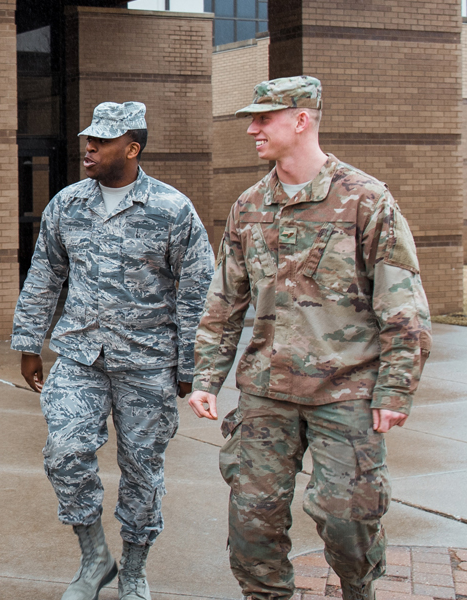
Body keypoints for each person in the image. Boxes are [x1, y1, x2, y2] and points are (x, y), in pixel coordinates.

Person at [188, 76, 432, 600]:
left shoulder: (366, 201)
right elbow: (224, 302)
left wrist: (395, 389)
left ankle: (358, 589)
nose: (252, 129)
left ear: (301, 120)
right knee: (252, 525)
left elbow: (404, 307)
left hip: (345, 393)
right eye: (252, 120)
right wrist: (206, 377)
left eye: (263, 118)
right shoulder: (249, 206)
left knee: (349, 520)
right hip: (265, 393)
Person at [12, 101, 214, 600]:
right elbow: (44, 275)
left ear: (132, 148)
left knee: (143, 468)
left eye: (101, 142)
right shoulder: (67, 204)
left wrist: (191, 365)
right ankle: (95, 558)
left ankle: (135, 569)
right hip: (80, 356)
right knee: (65, 452)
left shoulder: (171, 208)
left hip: (147, 363)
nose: (89, 148)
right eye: (88, 139)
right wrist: (28, 342)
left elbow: (196, 291)